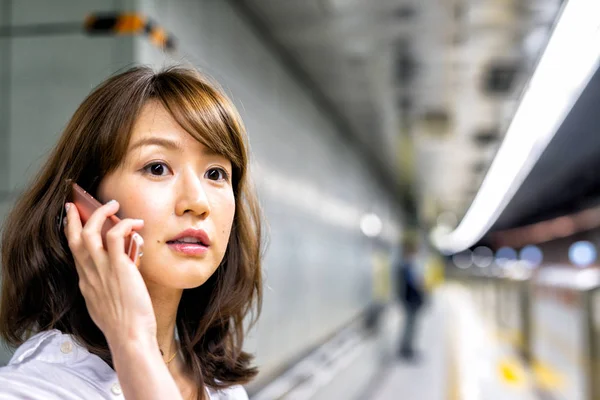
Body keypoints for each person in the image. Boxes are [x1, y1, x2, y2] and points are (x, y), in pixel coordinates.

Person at [0, 65, 263, 399]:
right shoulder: (32, 390)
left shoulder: (224, 391)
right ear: (86, 204)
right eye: (157, 168)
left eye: (215, 173)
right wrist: (133, 341)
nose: (197, 202)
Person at [396, 244, 425, 361]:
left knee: (411, 325)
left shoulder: (407, 266)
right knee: (410, 325)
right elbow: (414, 284)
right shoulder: (407, 267)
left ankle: (408, 348)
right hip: (410, 301)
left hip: (410, 300)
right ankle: (406, 349)